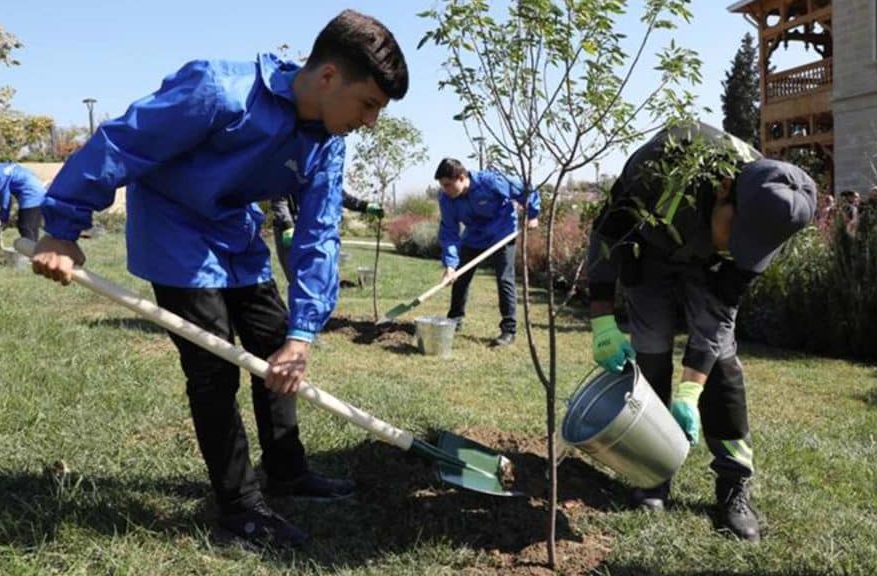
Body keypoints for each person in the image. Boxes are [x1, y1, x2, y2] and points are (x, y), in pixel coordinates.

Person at [28, 10, 408, 548]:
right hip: (176, 234)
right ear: (327, 77)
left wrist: (302, 336)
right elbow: (122, 144)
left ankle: (287, 470)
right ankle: (240, 508)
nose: (369, 121)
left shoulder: (327, 141)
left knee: (276, 346)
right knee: (213, 369)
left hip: (235, 234)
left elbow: (319, 235)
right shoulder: (218, 89)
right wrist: (62, 226)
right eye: (368, 104)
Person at [586, 121, 816, 542]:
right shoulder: (662, 163)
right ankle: (651, 473)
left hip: (706, 268)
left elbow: (720, 311)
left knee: (722, 368)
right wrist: (602, 319)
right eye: (735, 235)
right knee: (651, 353)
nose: (736, 248)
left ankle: (733, 484)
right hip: (651, 251)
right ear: (726, 189)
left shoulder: (776, 212)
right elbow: (606, 233)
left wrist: (692, 390)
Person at [434, 158, 540, 347]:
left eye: (448, 185)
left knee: (504, 279)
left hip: (502, 233)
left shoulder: (491, 181)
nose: (445, 190)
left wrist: (532, 214)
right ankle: (455, 320)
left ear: (461, 177)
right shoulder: (447, 199)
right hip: (474, 236)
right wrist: (450, 265)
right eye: (442, 186)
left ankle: (508, 330)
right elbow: (449, 233)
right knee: (460, 275)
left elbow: (525, 189)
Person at [271, 190, 384, 282]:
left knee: (320, 278)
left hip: (313, 229)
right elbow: (279, 199)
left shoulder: (322, 170)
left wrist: (365, 206)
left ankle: (316, 308)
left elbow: (336, 192)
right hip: (290, 229)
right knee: (297, 279)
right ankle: (303, 308)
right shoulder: (288, 166)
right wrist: (287, 225)